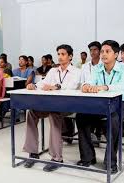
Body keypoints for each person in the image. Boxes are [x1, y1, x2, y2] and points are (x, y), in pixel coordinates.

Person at [76, 40, 124, 174]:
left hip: (122, 103)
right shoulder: (97, 68)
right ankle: (88, 157)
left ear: (116, 54)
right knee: (81, 117)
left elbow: (123, 86)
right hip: (101, 103)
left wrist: (105, 87)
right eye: (102, 51)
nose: (103, 54)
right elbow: (89, 82)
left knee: (113, 120)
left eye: (107, 51)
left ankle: (110, 162)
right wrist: (86, 86)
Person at [23, 44, 81, 172]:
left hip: (68, 106)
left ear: (70, 56)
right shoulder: (53, 70)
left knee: (54, 114)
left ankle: (57, 158)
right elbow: (44, 83)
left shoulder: (76, 71)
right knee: (31, 112)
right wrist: (34, 86)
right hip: (50, 104)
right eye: (58, 54)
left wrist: (56, 87)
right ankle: (33, 152)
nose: (60, 57)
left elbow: (72, 86)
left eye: (63, 54)